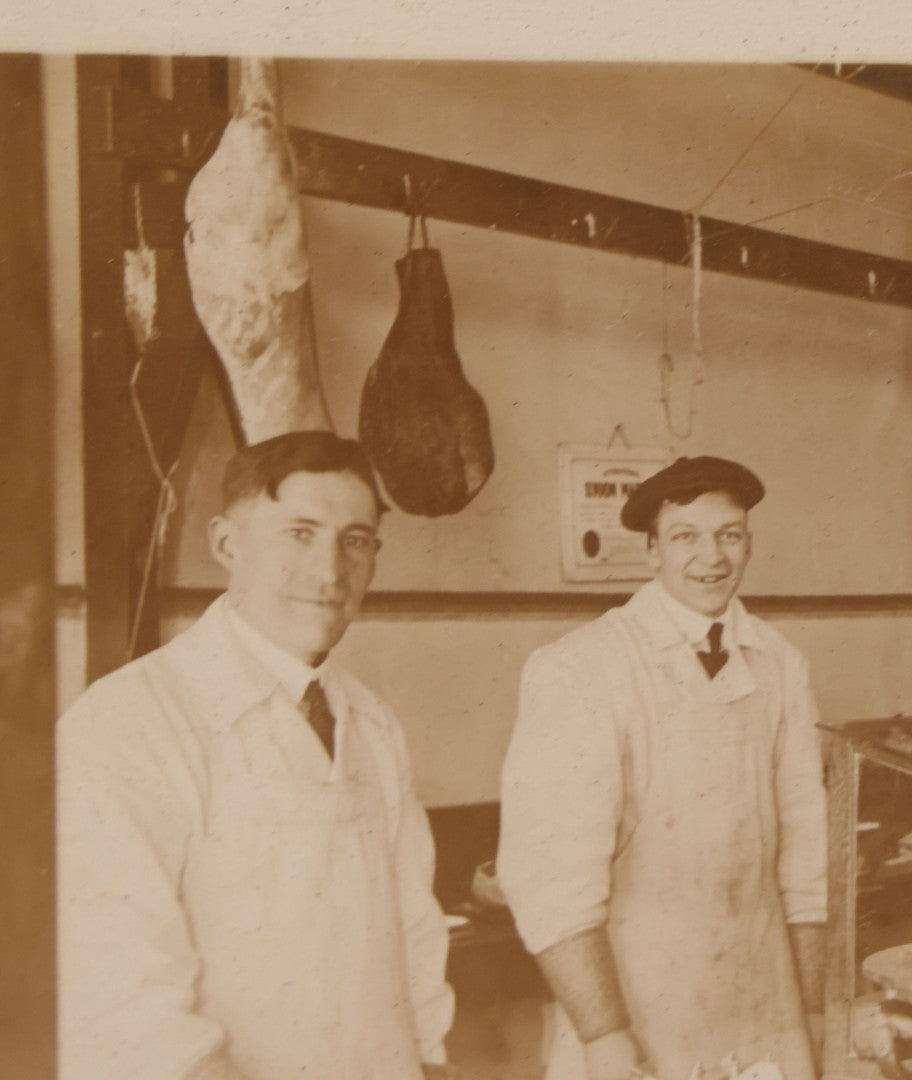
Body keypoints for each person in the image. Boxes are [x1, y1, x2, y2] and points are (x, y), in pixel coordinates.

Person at [57, 431, 454, 1080]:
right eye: (300, 533)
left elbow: (415, 933)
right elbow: (120, 990)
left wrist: (431, 1062)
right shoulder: (129, 721)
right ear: (226, 544)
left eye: (355, 540)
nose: (330, 572)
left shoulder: (373, 723)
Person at [497, 456, 827, 1080]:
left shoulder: (782, 665)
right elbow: (551, 884)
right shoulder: (581, 667)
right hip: (637, 1018)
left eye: (729, 535)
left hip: (766, 1011)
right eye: (685, 536)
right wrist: (605, 1034)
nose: (711, 557)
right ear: (651, 550)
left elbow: (808, 860)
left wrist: (811, 1009)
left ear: (749, 544)